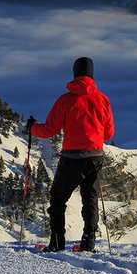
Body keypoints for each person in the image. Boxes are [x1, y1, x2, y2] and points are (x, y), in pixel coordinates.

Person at [26, 56, 114, 252]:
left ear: (75, 74)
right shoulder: (103, 100)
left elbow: (49, 130)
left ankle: (57, 243)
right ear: (92, 74)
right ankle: (88, 244)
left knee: (58, 198)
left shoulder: (65, 100)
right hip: (95, 156)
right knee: (90, 199)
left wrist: (32, 128)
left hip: (72, 157)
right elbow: (108, 134)